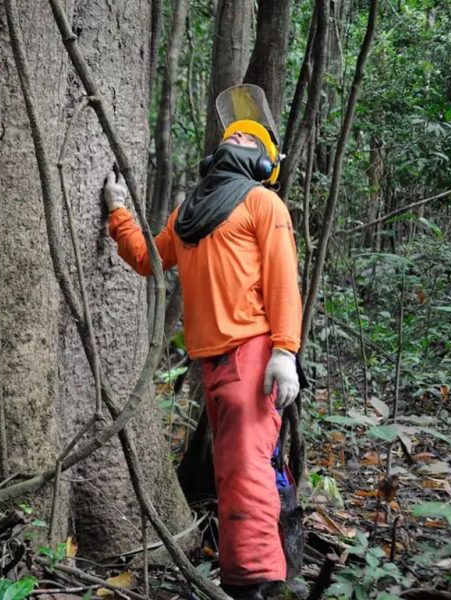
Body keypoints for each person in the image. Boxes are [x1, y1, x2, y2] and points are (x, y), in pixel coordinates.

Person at [103, 85, 303, 599]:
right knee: (239, 466)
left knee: (244, 470)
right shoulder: (190, 215)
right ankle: (259, 572)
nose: (236, 142)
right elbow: (149, 257)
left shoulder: (262, 204)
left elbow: (283, 280)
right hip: (214, 363)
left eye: (244, 138)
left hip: (252, 355)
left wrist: (284, 352)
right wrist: (116, 210)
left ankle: (253, 584)